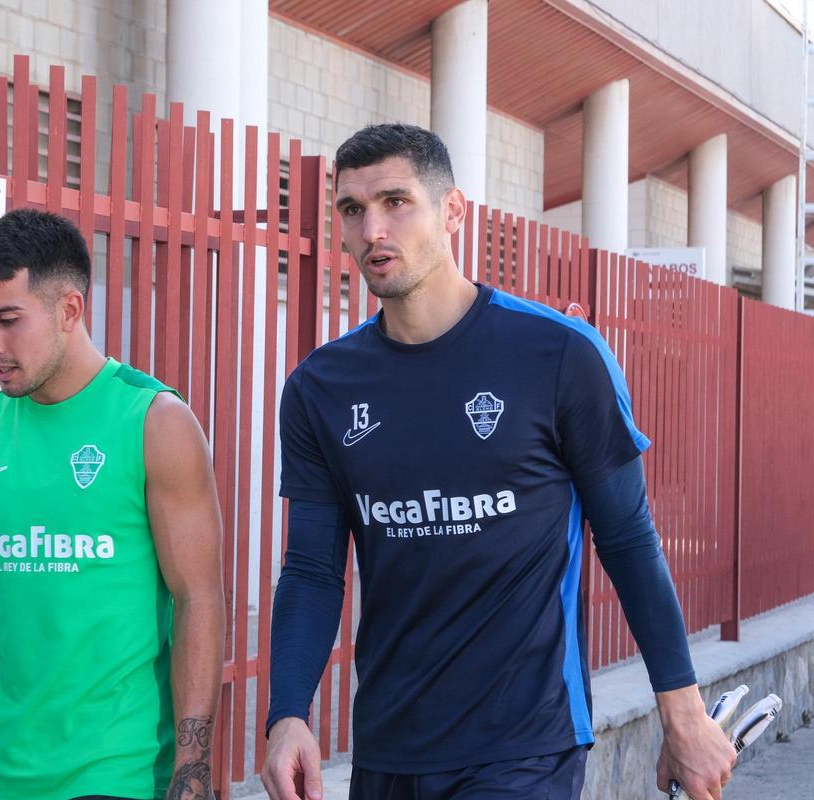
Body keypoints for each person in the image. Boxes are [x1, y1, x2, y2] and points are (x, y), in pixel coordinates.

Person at [260, 124, 736, 800]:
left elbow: (629, 540)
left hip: (525, 745)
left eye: (397, 202)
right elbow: (310, 570)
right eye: (352, 209)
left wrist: (682, 714)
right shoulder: (320, 388)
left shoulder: (559, 354)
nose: (372, 229)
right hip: (390, 745)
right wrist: (288, 715)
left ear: (453, 212)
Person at [0, 209, 225, 800]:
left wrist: (192, 773)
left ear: (69, 310)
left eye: (7, 320)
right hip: (7, 769)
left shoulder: (154, 421)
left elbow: (198, 597)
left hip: (120, 769)